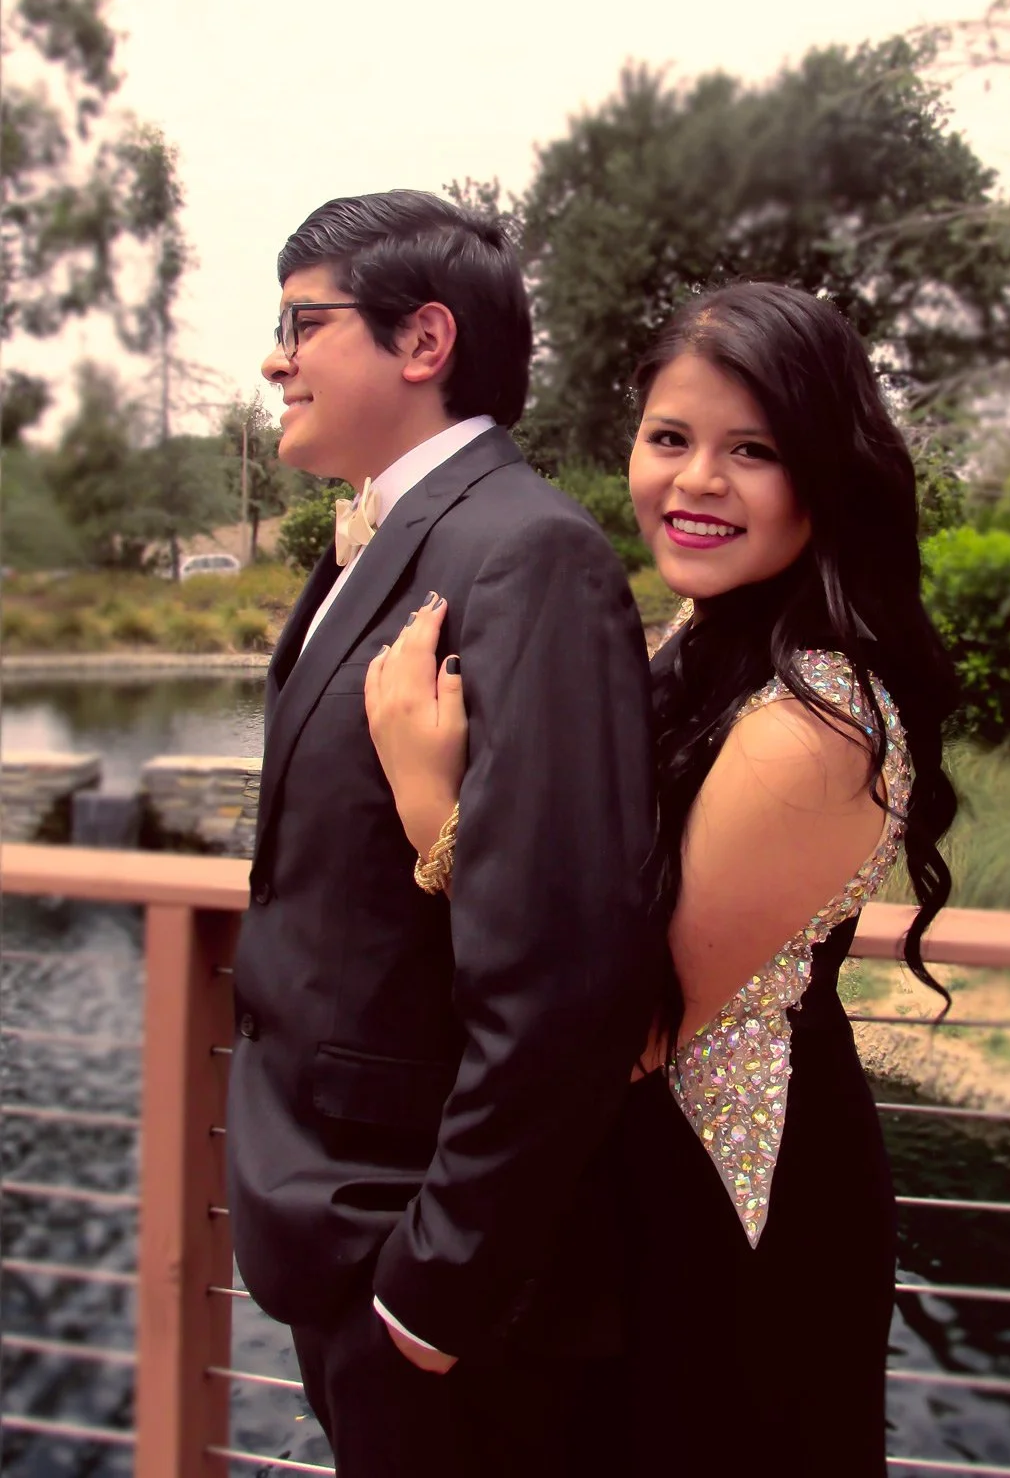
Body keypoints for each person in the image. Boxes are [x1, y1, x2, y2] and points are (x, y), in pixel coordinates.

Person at [367, 279, 958, 1477]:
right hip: (627, 1183)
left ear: (826, 476)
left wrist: (434, 806)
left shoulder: (819, 721)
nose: (695, 483)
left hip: (730, 1207)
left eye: (754, 451)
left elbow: (624, 1015)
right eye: (670, 439)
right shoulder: (700, 640)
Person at [226, 189, 662, 1478]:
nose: (275, 357)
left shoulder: (528, 552)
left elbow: (568, 961)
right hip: (334, 1222)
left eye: (303, 323)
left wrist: (437, 1284)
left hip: (420, 1266)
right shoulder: (382, 537)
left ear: (423, 343)